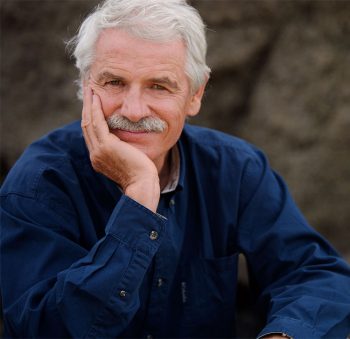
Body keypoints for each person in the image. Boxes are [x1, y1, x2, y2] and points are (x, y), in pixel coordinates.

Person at [1, 0, 349, 337]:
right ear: (85, 86)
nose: (135, 110)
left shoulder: (235, 169)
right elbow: (43, 329)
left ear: (195, 94)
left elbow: (315, 275)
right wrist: (138, 197)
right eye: (114, 82)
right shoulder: (39, 182)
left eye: (159, 86)